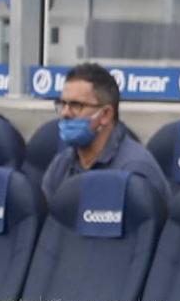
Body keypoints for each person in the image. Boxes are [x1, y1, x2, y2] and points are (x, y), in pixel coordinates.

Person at [42, 62, 170, 205]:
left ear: (106, 115)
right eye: (62, 104)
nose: (65, 113)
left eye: (76, 105)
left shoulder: (135, 170)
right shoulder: (61, 164)